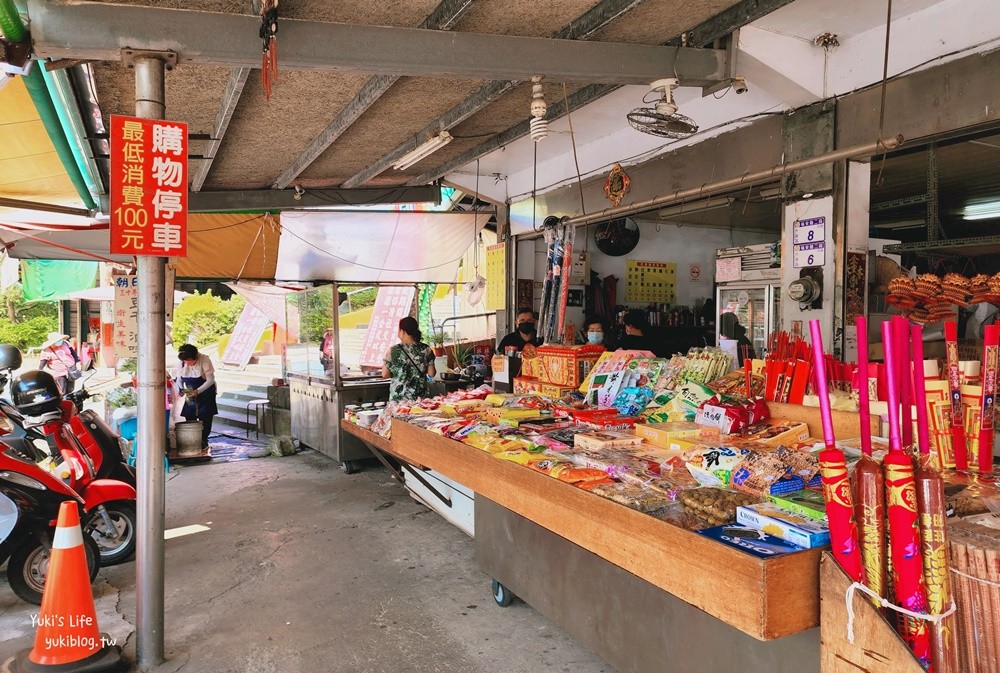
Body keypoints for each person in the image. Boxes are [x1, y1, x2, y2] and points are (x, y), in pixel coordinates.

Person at [382, 317, 436, 401]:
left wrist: (399, 373)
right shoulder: (426, 349)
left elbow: (384, 375)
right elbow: (431, 374)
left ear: (403, 332)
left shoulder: (394, 351)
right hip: (420, 399)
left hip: (399, 399)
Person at [175, 343, 218, 449]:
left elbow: (210, 380)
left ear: (195, 357)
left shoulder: (204, 360)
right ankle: (192, 439)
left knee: (205, 417)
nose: (187, 363)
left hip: (206, 392)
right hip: (190, 392)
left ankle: (203, 440)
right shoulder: (182, 362)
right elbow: (179, 379)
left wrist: (198, 391)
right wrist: (180, 389)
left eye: (189, 361)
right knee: (189, 415)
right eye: (185, 361)